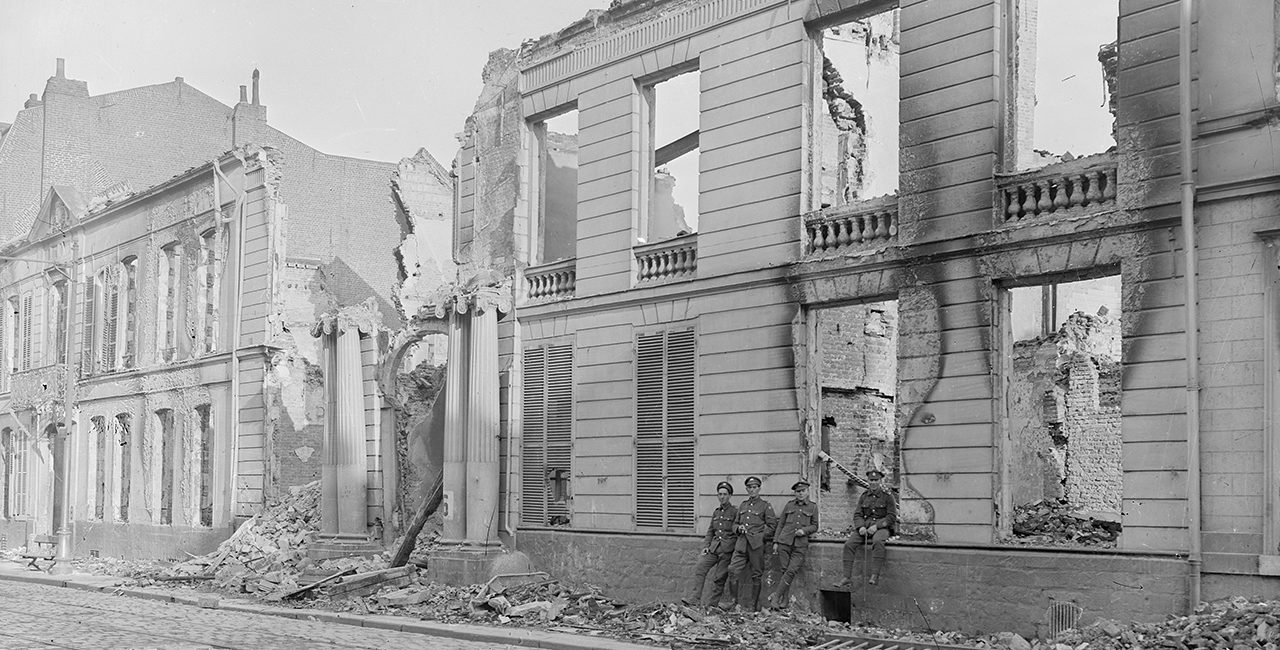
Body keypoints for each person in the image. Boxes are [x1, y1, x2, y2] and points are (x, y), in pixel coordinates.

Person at [720, 475, 777, 611]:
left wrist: (759, 536)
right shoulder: (743, 505)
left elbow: (772, 526)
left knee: (756, 574)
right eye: (749, 488)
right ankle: (734, 602)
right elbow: (735, 524)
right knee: (732, 570)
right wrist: (738, 528)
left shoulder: (765, 506)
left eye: (754, 487)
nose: (752, 490)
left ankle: (753, 606)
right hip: (741, 544)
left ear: (759, 488)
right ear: (746, 489)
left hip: (756, 546)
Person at [682, 481, 738, 606]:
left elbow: (737, 532)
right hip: (714, 548)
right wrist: (706, 546)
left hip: (727, 551)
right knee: (700, 567)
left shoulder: (735, 512)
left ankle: (712, 605)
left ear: (730, 496)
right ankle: (695, 599)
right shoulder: (716, 512)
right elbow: (710, 531)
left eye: (724, 494)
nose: (722, 497)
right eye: (719, 494)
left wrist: (733, 549)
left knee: (719, 578)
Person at [838, 468, 896, 587]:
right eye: (871, 480)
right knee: (849, 544)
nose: (873, 482)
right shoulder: (864, 496)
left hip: (882, 528)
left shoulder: (888, 496)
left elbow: (891, 517)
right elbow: (858, 514)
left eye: (876, 480)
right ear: (868, 481)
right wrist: (860, 527)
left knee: (878, 542)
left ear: (880, 481)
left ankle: (874, 575)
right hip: (865, 527)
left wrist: (877, 526)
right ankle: (846, 577)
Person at [767, 479, 818, 609]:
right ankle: (784, 600)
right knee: (784, 570)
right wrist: (776, 541)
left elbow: (815, 526)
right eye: (797, 491)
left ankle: (776, 597)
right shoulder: (789, 505)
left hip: (800, 545)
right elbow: (781, 524)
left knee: (791, 571)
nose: (800, 493)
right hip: (784, 542)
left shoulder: (813, 507)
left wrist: (804, 531)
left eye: (803, 491)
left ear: (807, 492)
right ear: (795, 493)